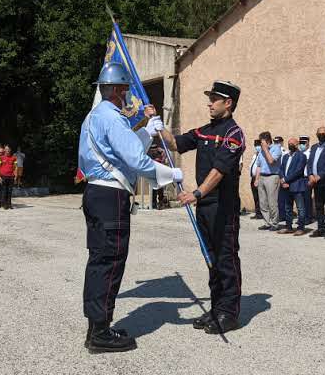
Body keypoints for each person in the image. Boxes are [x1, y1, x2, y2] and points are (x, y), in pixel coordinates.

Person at [78, 61, 182, 353]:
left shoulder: (95, 117)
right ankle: (100, 334)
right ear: (115, 90)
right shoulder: (113, 118)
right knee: (110, 261)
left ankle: (96, 327)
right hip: (110, 197)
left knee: (99, 261)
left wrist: (147, 131)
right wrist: (169, 174)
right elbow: (135, 160)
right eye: (124, 90)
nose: (126, 95)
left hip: (97, 193)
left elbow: (124, 149)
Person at [159, 80, 245, 335]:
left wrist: (196, 193)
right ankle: (216, 307)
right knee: (211, 259)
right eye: (210, 98)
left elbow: (219, 171)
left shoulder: (234, 134)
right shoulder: (205, 131)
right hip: (205, 206)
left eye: (214, 99)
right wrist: (157, 126)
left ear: (228, 103)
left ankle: (229, 313)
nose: (210, 103)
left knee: (226, 259)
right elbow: (176, 143)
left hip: (223, 207)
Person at [277, 137, 309, 235]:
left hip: (297, 186)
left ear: (297, 144)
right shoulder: (285, 156)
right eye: (289, 143)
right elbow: (281, 169)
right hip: (286, 186)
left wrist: (285, 180)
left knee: (300, 208)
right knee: (287, 208)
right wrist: (282, 180)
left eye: (292, 144)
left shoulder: (302, 156)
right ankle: (289, 227)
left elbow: (298, 171)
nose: (290, 145)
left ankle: (301, 227)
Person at [255, 131, 282, 231]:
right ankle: (267, 222)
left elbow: (271, 161)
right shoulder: (261, 151)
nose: (260, 143)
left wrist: (266, 149)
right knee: (263, 202)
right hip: (262, 177)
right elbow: (258, 166)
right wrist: (256, 179)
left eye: (261, 141)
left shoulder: (276, 148)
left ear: (267, 140)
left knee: (272, 202)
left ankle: (275, 223)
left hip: (272, 177)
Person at [147, 140, 169, 209]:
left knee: (160, 189)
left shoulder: (161, 152)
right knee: (153, 189)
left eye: (154, 150)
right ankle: (153, 203)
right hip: (153, 173)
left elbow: (164, 161)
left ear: (157, 149)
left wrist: (161, 157)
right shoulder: (150, 154)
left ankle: (161, 203)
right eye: (152, 150)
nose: (153, 152)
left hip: (160, 172)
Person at [298, 135, 314, 227]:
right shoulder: (299, 153)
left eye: (303, 143)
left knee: (307, 198)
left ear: (308, 143)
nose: (301, 145)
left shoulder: (310, 153)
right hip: (299, 178)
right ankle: (302, 217)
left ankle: (308, 217)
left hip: (307, 178)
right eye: (300, 143)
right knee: (300, 199)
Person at [0, 145, 17, 209]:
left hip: (11, 176)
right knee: (4, 191)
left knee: (10, 191)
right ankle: (5, 204)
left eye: (8, 149)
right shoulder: (1, 157)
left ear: (10, 150)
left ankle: (9, 204)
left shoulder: (14, 158)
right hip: (3, 176)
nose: (7, 150)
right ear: (4, 150)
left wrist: (15, 176)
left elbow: (15, 168)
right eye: (6, 149)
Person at [248, 139, 263, 219]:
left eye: (258, 145)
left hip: (259, 178)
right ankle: (258, 213)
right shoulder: (255, 155)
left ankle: (262, 213)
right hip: (253, 178)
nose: (257, 147)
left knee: (260, 197)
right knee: (256, 197)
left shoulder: (262, 155)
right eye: (255, 145)